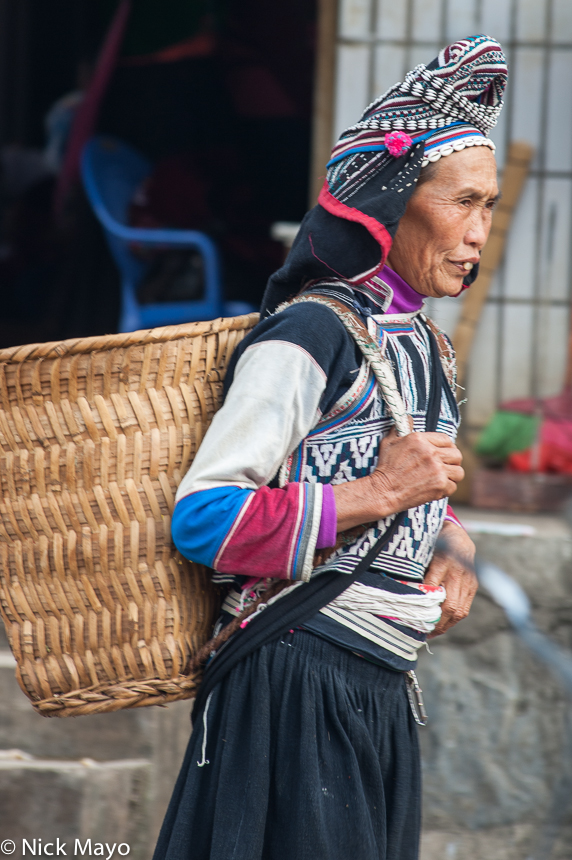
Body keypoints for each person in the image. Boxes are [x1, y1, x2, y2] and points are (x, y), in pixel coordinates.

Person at [153, 35, 507, 860]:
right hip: (290, 690)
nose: (477, 231)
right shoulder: (310, 334)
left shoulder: (426, 346)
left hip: (377, 692)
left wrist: (453, 547)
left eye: (487, 206)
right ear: (390, 202)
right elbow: (204, 520)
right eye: (461, 202)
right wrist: (379, 495)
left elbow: (416, 491)